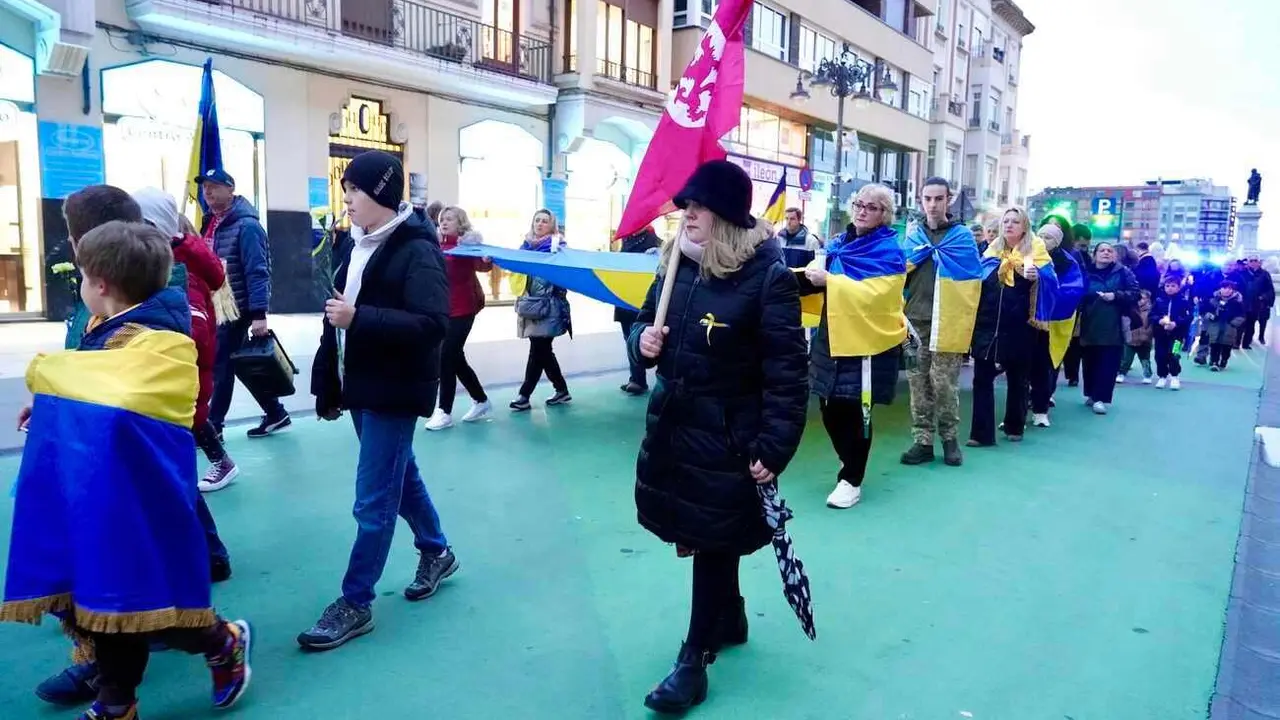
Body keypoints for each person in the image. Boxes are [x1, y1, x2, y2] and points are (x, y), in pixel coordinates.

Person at [3, 220, 252, 720]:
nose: (79, 287)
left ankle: (223, 641)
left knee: (148, 606)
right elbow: (93, 389)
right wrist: (51, 404)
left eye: (81, 277)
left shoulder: (164, 338)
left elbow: (119, 392)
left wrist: (52, 378)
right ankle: (117, 702)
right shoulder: (105, 329)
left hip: (142, 495)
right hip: (98, 489)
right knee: (102, 599)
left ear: (100, 284)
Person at [629, 159, 808, 713]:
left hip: (729, 433)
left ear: (728, 217)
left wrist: (775, 445)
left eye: (699, 206)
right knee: (705, 531)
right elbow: (642, 321)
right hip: (677, 423)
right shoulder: (674, 264)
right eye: (687, 205)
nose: (688, 214)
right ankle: (728, 615)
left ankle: (693, 658)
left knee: (710, 537)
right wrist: (643, 341)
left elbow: (787, 372)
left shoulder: (767, 277)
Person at [303, 151, 457, 651]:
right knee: (400, 474)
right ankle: (437, 551)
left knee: (373, 501)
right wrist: (330, 376)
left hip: (393, 388)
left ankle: (356, 601)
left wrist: (360, 319)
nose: (346, 198)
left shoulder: (417, 250)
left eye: (355, 190)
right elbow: (340, 317)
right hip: (361, 384)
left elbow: (434, 325)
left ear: (383, 195)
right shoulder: (356, 245)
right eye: (345, 189)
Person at [802, 184, 905, 509]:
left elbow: (881, 297)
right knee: (829, 408)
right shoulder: (837, 245)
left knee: (857, 411)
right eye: (859, 204)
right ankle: (850, 466)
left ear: (884, 214)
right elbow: (821, 285)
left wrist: (830, 281)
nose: (862, 210)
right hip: (830, 337)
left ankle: (851, 478)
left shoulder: (890, 251)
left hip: (866, 343)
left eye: (871, 207)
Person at [133, 188, 242, 495]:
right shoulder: (162, 265)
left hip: (182, 373)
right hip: (175, 373)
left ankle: (218, 465)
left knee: (186, 429)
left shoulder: (180, 271)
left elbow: (194, 331)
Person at [198, 168, 291, 439]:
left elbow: (258, 270)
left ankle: (214, 426)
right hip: (217, 305)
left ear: (231, 189)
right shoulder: (210, 223)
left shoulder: (247, 226)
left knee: (222, 365)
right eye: (205, 188)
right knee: (236, 363)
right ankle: (275, 413)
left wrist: (259, 314)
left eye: (214, 186)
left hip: (237, 308)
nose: (209, 192)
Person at [901, 177, 982, 467]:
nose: (933, 205)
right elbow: (898, 274)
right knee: (917, 383)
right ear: (920, 200)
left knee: (944, 383)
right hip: (914, 320)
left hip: (947, 320)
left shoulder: (961, 237)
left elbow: (972, 281)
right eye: (927, 198)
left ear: (949, 199)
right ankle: (922, 441)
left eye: (938, 198)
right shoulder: (913, 237)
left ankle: (950, 439)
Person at [968, 207, 1045, 446]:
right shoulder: (990, 252)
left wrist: (1038, 277)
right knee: (981, 378)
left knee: (1018, 378)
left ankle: (1015, 424)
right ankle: (981, 434)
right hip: (987, 324)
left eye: (1015, 221)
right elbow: (975, 282)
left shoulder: (1036, 253)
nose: (1009, 225)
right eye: (1006, 221)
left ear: (1024, 227)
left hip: (1019, 327)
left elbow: (1051, 287)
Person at [425, 206, 493, 431]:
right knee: (455, 358)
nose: (444, 222)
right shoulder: (437, 245)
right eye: (442, 219)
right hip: (442, 309)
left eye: (450, 219)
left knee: (446, 356)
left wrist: (485, 258)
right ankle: (481, 400)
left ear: (460, 222)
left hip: (464, 308)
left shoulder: (467, 245)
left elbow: (482, 266)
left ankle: (444, 411)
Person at [509, 209, 573, 411]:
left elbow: (565, 276)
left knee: (539, 349)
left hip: (549, 306)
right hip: (531, 306)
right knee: (541, 350)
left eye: (545, 221)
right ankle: (561, 390)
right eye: (537, 220)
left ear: (552, 225)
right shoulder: (525, 247)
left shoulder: (558, 248)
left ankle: (524, 394)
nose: (540, 224)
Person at [1077, 242, 1139, 414]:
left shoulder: (1123, 272)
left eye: (1109, 250)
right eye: (1102, 250)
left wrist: (1116, 295)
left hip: (1114, 325)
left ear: (1114, 255)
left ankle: (1100, 398)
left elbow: (1135, 293)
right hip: (1089, 323)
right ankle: (1091, 393)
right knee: (1089, 362)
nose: (1106, 253)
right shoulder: (1085, 272)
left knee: (1108, 364)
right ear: (1094, 254)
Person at [615, 226, 661, 395]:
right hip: (623, 299)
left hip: (642, 300)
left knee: (644, 339)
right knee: (630, 339)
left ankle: (639, 380)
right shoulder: (626, 240)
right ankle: (636, 378)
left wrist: (659, 253)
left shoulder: (654, 241)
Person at [1153, 275, 1193, 390]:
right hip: (1160, 335)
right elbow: (1152, 314)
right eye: (1167, 286)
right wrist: (1159, 321)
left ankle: (1175, 376)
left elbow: (1188, 316)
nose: (1170, 288)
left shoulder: (1184, 301)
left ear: (1179, 287)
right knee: (1160, 355)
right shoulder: (1159, 300)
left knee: (1174, 355)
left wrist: (1176, 323)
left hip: (1177, 336)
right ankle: (1162, 376)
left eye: (1173, 286)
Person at [1201, 280, 1246, 371]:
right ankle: (1214, 361)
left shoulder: (1237, 302)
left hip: (1229, 327)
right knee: (1214, 344)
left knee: (1227, 346)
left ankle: (1224, 360)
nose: (1227, 290)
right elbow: (1205, 310)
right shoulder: (1213, 300)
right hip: (1215, 325)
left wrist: (1233, 323)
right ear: (1220, 289)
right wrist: (1210, 316)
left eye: (1230, 288)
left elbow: (1241, 315)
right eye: (1224, 288)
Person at [1117, 289, 1154, 384]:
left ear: (1148, 300)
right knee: (1126, 359)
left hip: (1145, 340)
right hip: (1130, 339)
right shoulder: (1130, 309)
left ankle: (1147, 375)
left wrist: (1147, 335)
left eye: (1143, 298)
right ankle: (1121, 373)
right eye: (1139, 298)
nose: (1140, 300)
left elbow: (1152, 326)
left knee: (1145, 360)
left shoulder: (1151, 312)